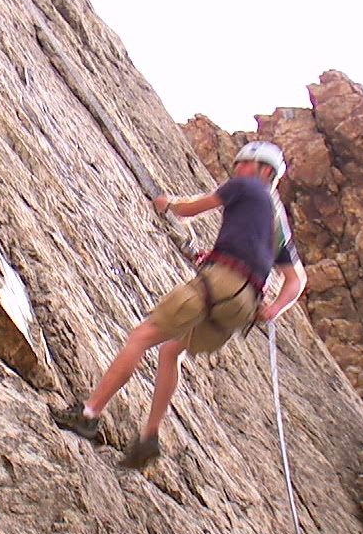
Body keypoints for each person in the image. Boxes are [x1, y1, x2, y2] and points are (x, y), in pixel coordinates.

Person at [51, 141, 307, 465]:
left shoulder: (245, 186)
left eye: (244, 164)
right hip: (242, 305)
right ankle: (148, 438)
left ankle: (89, 414)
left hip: (221, 280)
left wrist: (167, 203)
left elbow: (191, 208)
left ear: (264, 171)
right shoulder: (277, 220)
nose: (237, 169)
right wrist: (272, 310)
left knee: (142, 336)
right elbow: (296, 280)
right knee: (172, 349)